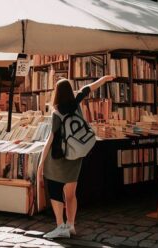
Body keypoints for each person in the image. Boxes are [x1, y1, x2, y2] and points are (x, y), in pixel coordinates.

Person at [38, 75, 115, 239]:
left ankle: (60, 226)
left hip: (58, 158)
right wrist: (105, 79)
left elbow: (50, 139)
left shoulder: (57, 112)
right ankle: (71, 225)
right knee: (71, 194)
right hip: (75, 155)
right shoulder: (76, 103)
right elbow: (89, 87)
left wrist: (40, 163)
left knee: (55, 190)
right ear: (69, 91)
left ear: (56, 93)